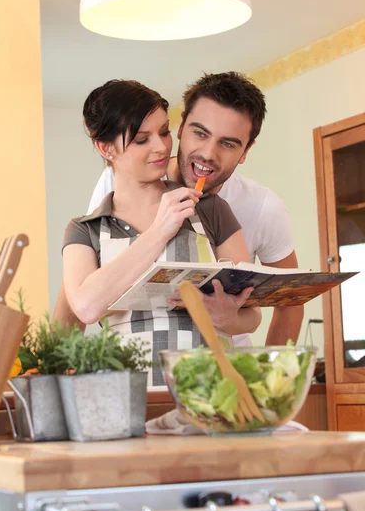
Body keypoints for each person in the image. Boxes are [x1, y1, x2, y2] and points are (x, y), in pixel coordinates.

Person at [81, 72, 304, 346]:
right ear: (181, 127)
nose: (209, 154)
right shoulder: (118, 182)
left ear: (246, 151)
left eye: (228, 143)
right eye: (200, 133)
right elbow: (85, 287)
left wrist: (272, 381)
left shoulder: (262, 207)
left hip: (221, 362)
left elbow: (289, 301)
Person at [61, 80, 261, 384]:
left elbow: (252, 314)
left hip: (210, 391)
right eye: (142, 139)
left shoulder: (210, 209)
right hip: (128, 394)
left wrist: (226, 317)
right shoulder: (85, 229)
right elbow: (87, 307)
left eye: (164, 132)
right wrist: (159, 232)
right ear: (105, 148)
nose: (161, 147)